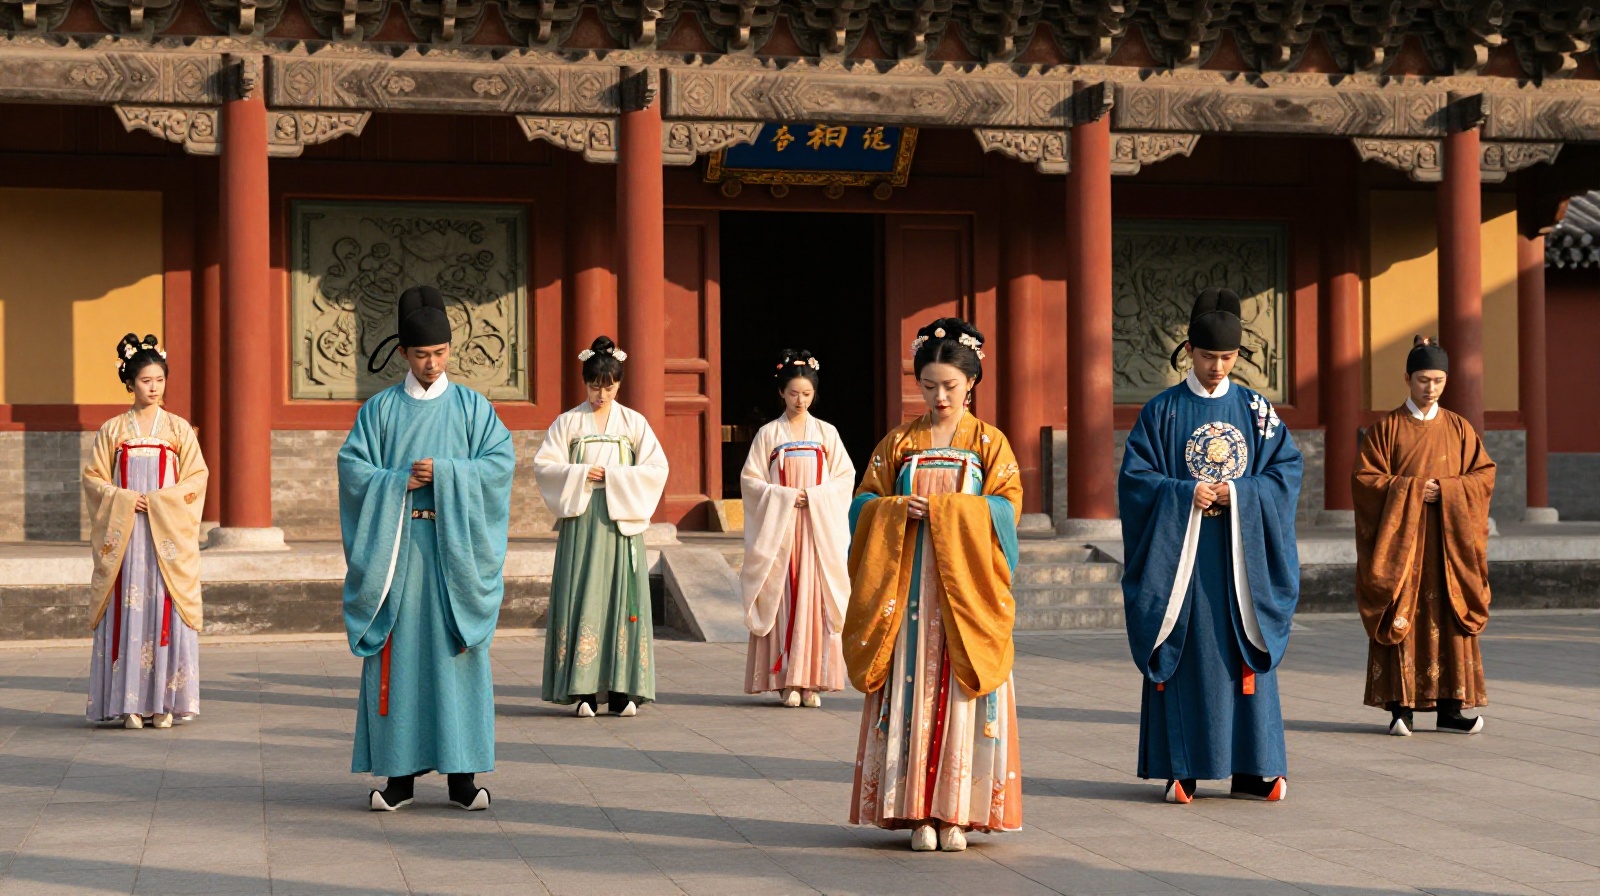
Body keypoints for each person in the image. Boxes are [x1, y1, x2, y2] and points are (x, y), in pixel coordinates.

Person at [1118, 288, 1303, 804]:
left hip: (1243, 560)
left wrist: (1240, 494)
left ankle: (1255, 767)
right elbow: (1135, 480)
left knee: (1245, 651)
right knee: (1191, 653)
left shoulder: (1257, 410)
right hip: (1186, 560)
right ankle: (1184, 766)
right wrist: (1184, 494)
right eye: (1207, 356)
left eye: (1227, 357)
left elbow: (1287, 470)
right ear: (1189, 352)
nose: (1217, 367)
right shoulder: (1162, 411)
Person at [844, 318, 1023, 852]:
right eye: (928, 386)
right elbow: (862, 504)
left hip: (966, 596)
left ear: (972, 383)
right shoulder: (898, 442)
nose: (939, 397)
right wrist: (896, 509)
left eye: (950, 386)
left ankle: (958, 813)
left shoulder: (991, 443)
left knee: (961, 692)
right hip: (909, 596)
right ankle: (914, 810)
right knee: (910, 692)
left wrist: (947, 511)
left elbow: (1007, 510)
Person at [338, 285, 514, 811]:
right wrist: (398, 482)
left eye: (439, 353)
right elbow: (353, 469)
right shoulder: (380, 410)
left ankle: (463, 778)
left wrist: (448, 473)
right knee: (400, 659)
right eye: (420, 355)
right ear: (403, 354)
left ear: (450, 350)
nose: (431, 363)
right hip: (398, 553)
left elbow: (499, 465)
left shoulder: (473, 408)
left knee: (457, 657)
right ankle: (399, 780)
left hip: (454, 555)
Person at [1354, 337, 1495, 736]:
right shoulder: (1386, 429)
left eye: (1437, 380)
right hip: (1403, 546)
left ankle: (1452, 708)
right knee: (1404, 613)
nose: (1430, 388)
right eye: (1422, 380)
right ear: (1407, 379)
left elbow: (1483, 475)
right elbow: (1365, 480)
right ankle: (1401, 709)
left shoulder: (1460, 428)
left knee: (1450, 614)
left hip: (1450, 546)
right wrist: (1414, 490)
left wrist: (1448, 490)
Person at [534, 336, 669, 717]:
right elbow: (544, 466)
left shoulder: (633, 423)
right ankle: (583, 690)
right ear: (585, 383)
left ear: (619, 384)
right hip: (582, 521)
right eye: (594, 386)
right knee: (582, 596)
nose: (601, 394)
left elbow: (657, 468)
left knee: (622, 601)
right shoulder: (568, 422)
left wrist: (615, 476)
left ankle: (624, 689)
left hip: (619, 522)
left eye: (608, 387)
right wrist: (580, 473)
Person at [83, 334, 208, 729]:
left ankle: (164, 703)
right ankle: (130, 704)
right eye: (145, 381)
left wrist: (159, 501)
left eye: (159, 380)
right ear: (129, 382)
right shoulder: (112, 430)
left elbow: (196, 478)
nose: (154, 388)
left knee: (165, 607)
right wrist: (123, 498)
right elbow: (93, 479)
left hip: (165, 535)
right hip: (126, 536)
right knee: (128, 608)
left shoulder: (178, 429)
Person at [740, 349, 854, 707]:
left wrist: (815, 496)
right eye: (793, 393)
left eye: (806, 394)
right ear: (781, 393)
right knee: (783, 596)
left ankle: (812, 680)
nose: (800, 400)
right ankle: (786, 679)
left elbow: (845, 478)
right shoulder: (768, 434)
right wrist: (786, 496)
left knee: (814, 598)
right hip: (781, 529)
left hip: (817, 529)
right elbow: (751, 480)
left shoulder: (827, 433)